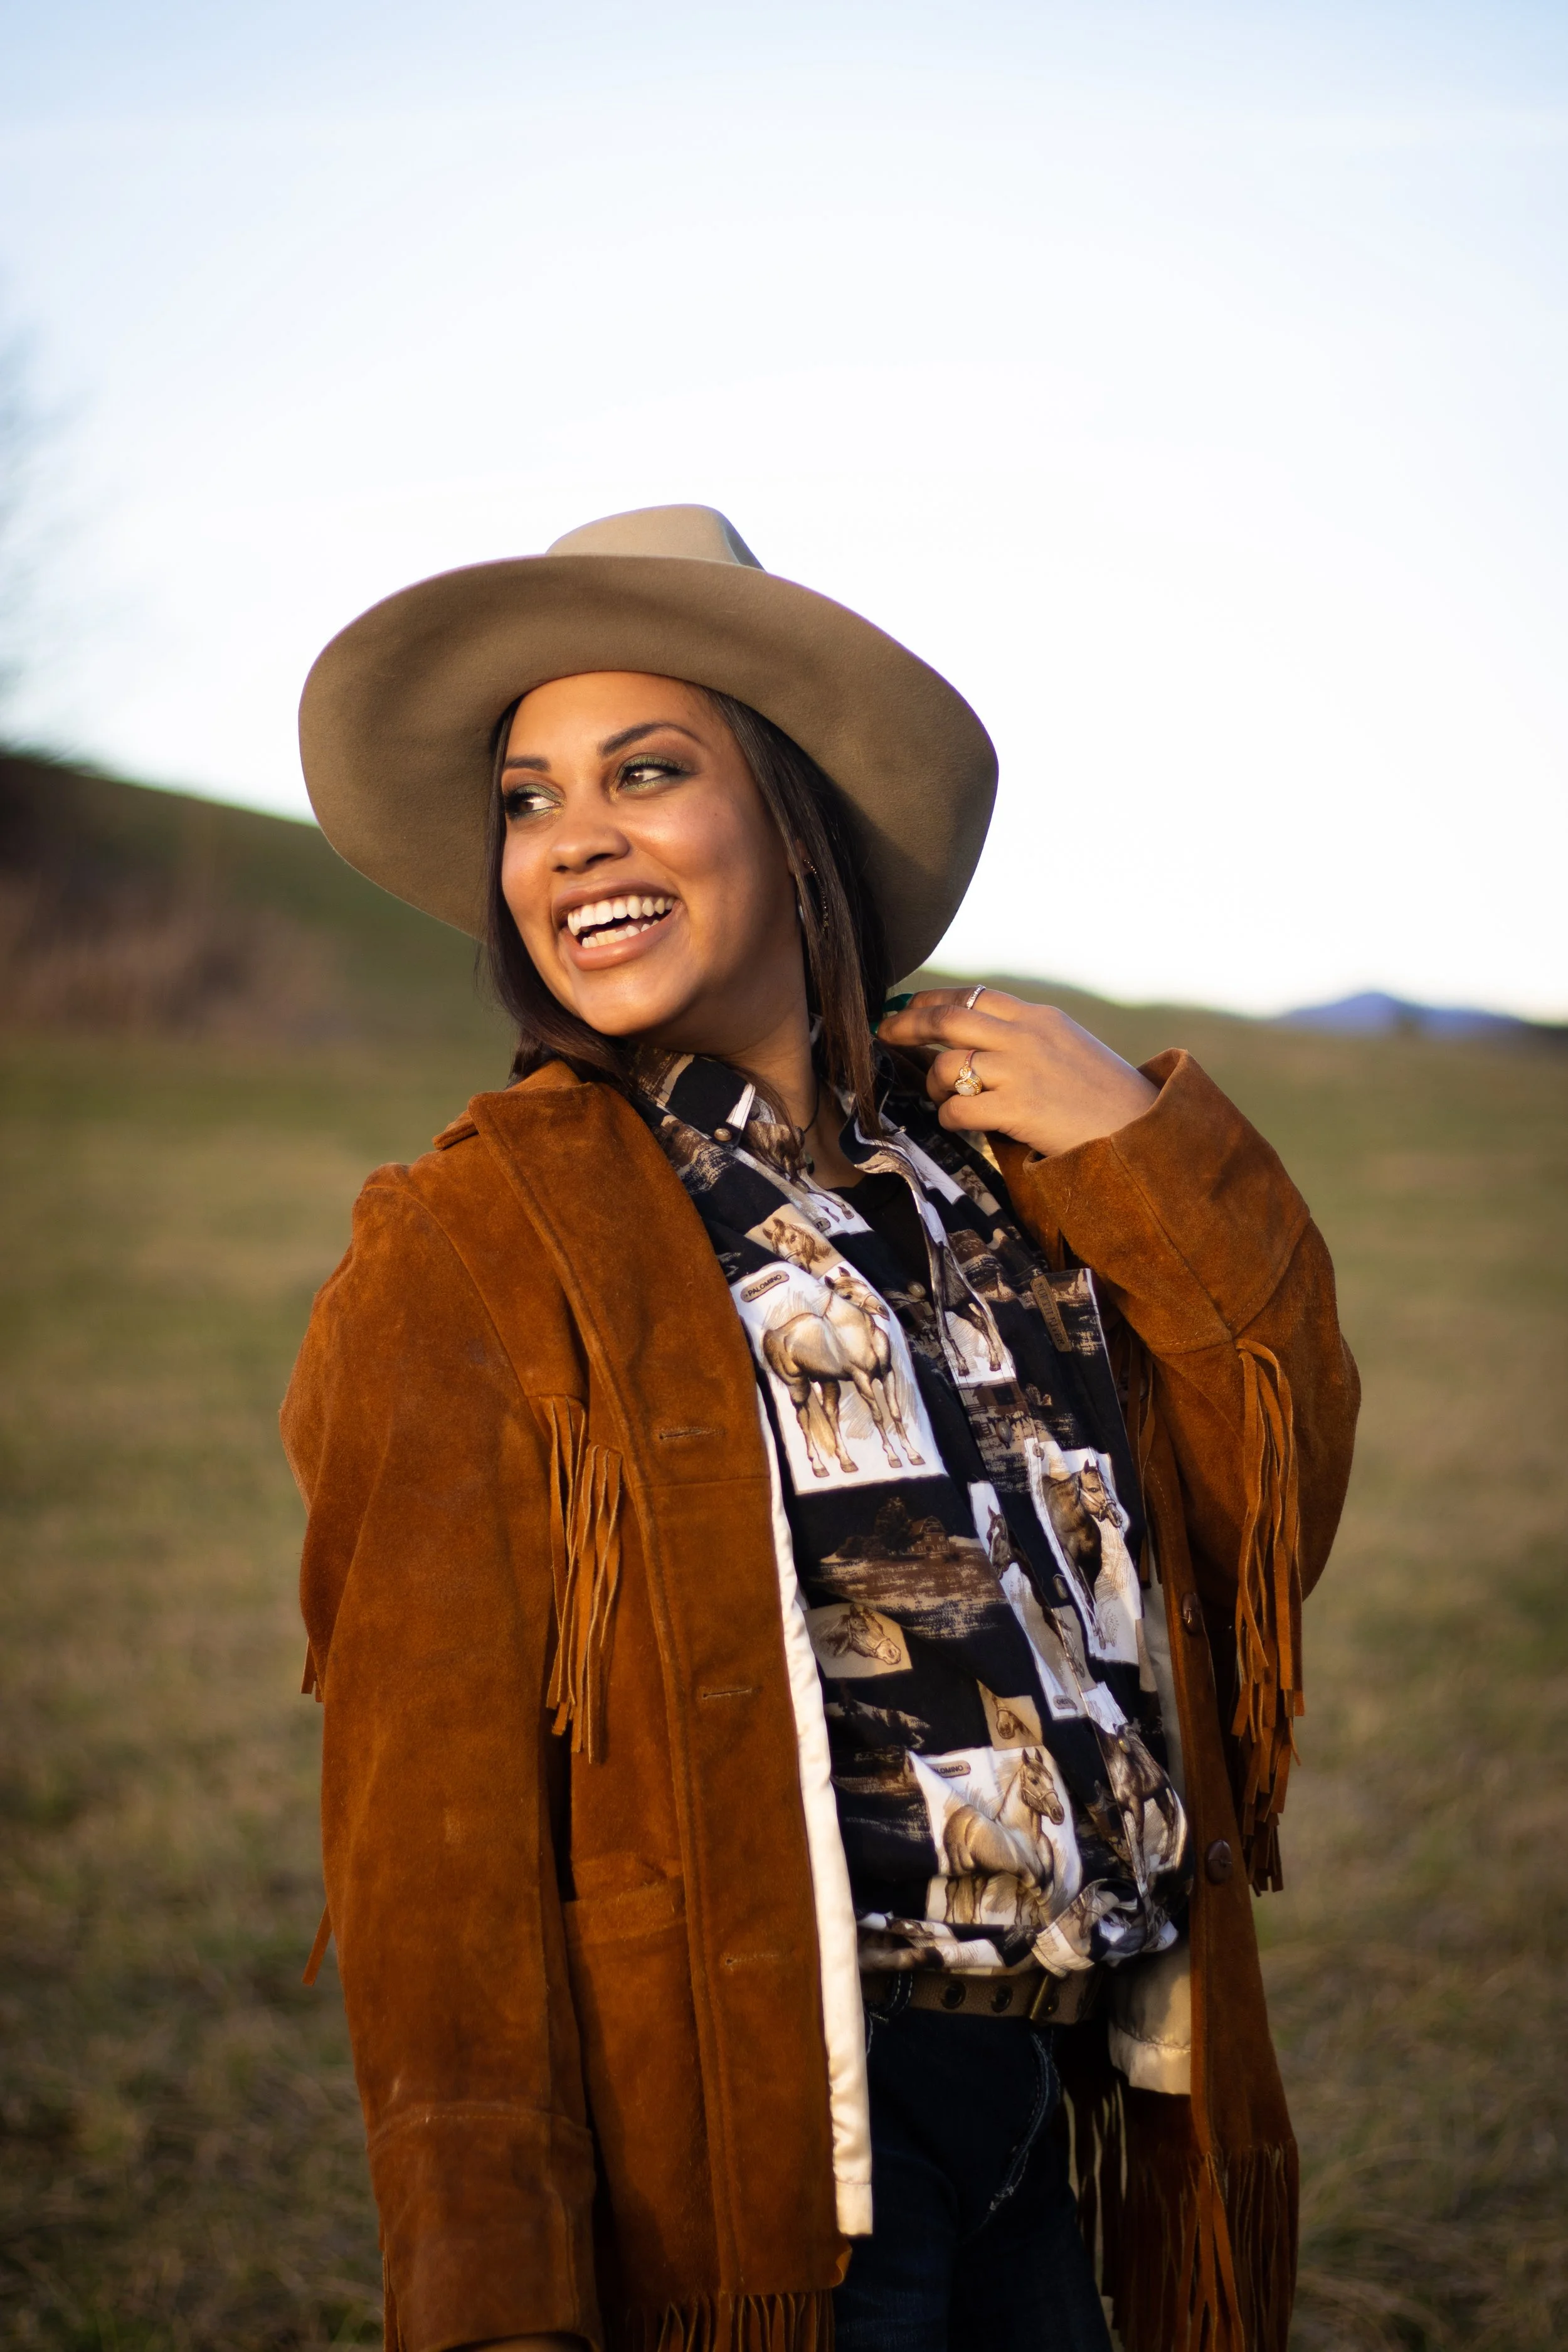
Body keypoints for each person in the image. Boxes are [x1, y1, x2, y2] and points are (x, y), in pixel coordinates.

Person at [284, 506, 1359, 2352]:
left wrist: (1147, 1150)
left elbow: (1261, 1510)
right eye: (527, 798)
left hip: (1058, 2096)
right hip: (769, 2139)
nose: (573, 839)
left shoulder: (990, 1178)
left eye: (644, 770)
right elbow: (427, 1834)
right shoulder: (475, 1240)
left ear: (789, 824)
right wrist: (486, 2291)